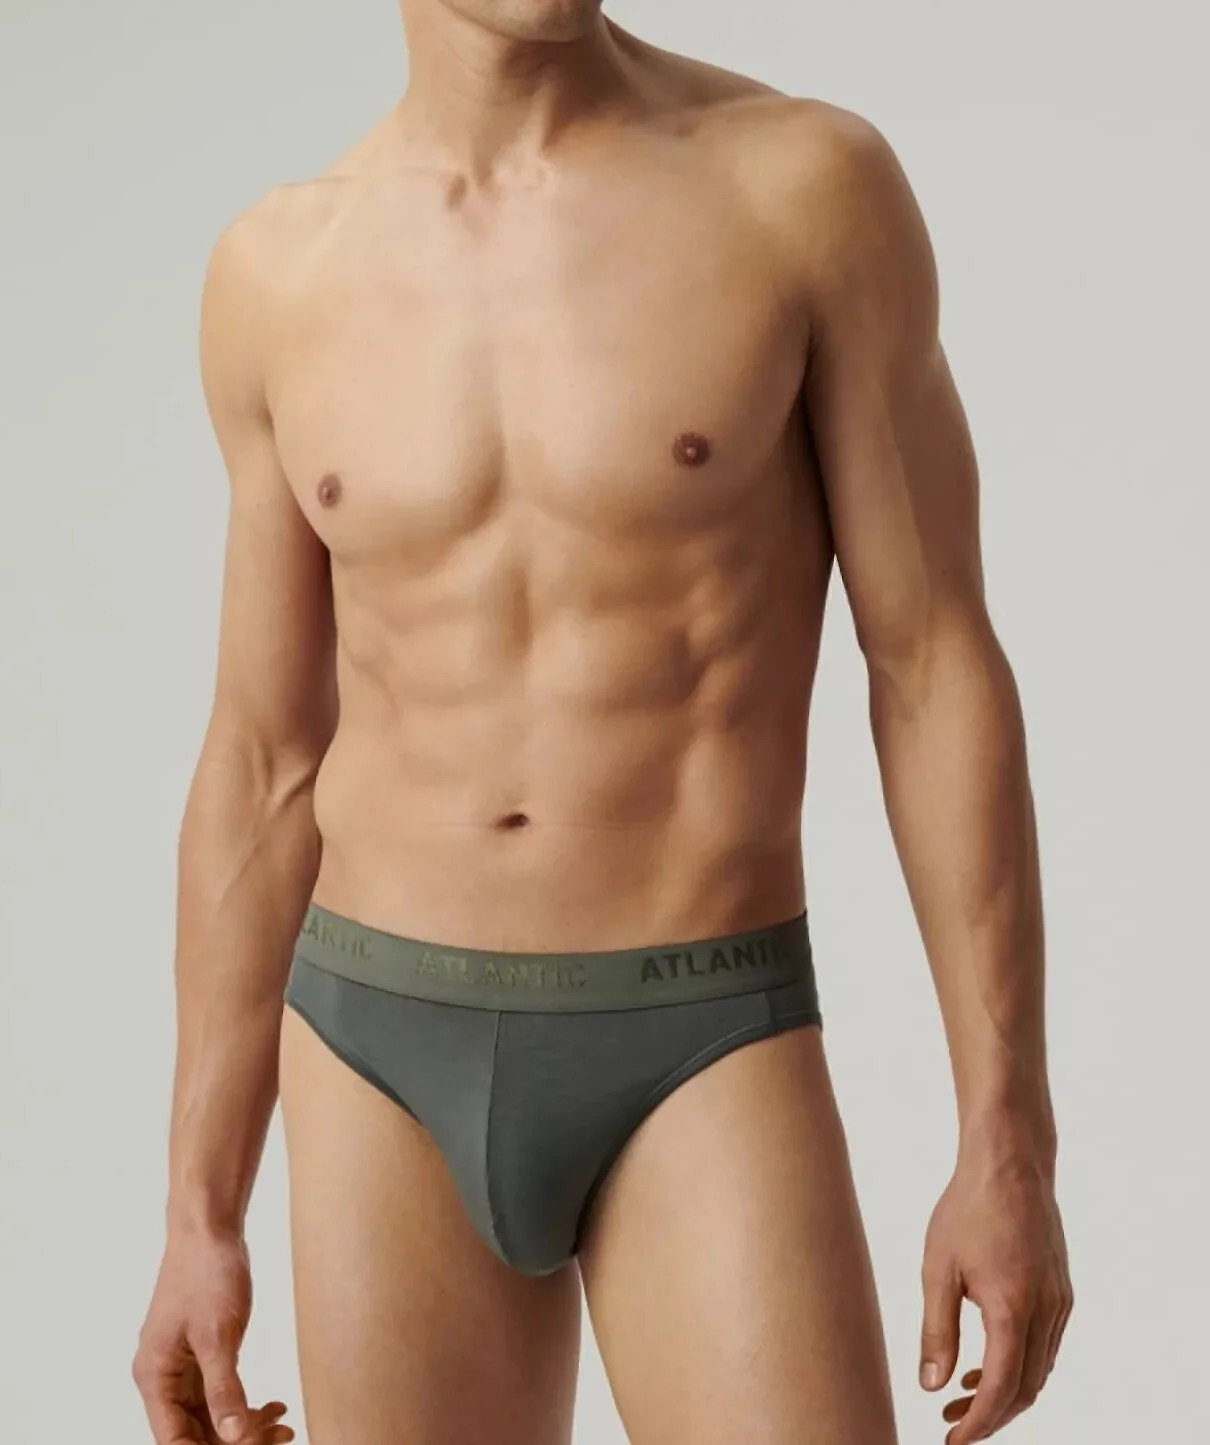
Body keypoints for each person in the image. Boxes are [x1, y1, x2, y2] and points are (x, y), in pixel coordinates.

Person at [132, 4, 1072, 1442]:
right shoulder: (278, 271)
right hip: (375, 1045)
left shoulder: (798, 190)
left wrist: (1006, 1134)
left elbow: (932, 663)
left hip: (700, 1031)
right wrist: (198, 1215)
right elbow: (262, 762)